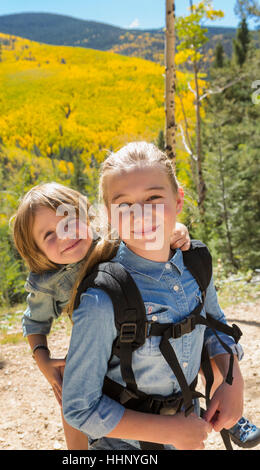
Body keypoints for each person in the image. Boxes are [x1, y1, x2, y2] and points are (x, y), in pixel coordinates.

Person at [62, 141, 246, 450]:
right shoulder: (103, 297)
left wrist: (232, 381)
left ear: (178, 201)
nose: (140, 214)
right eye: (124, 205)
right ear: (110, 214)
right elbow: (80, 407)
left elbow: (214, 324)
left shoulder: (195, 263)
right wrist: (169, 432)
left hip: (187, 434)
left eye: (153, 197)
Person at [10, 181, 191, 450]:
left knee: (193, 337)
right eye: (48, 235)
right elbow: (34, 321)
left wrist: (176, 230)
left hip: (146, 326)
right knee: (74, 385)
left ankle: (224, 411)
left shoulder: (116, 237)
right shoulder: (49, 281)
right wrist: (44, 361)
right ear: (37, 251)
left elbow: (153, 230)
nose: (65, 236)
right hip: (98, 341)